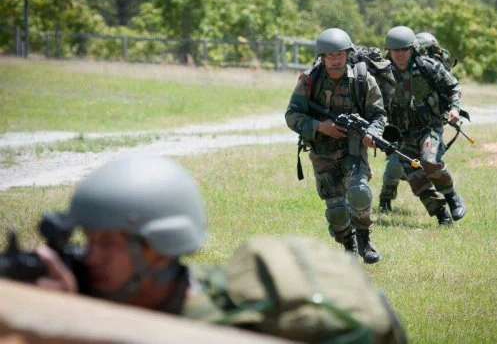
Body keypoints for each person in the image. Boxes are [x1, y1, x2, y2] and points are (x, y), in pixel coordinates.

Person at [25, 155, 407, 343]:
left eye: (107, 243)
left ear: (160, 249)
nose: (91, 256)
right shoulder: (170, 290)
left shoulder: (214, 332)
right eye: (88, 241)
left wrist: (65, 324)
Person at [285, 28, 387, 264]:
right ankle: (347, 245)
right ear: (322, 56)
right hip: (322, 152)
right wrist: (320, 126)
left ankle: (365, 240)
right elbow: (292, 115)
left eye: (339, 54)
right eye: (329, 55)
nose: (335, 59)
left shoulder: (363, 80)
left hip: (353, 147)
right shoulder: (310, 80)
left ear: (347, 54)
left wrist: (372, 132)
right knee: (336, 211)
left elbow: (379, 115)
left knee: (359, 191)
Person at [378, 26, 467, 225]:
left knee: (429, 161)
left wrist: (454, 109)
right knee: (416, 179)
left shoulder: (426, 66)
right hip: (401, 134)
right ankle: (440, 214)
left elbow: (453, 87)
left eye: (404, 49)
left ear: (412, 49)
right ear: (389, 51)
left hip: (429, 127)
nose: (400, 54)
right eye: (395, 50)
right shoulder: (382, 74)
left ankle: (452, 197)